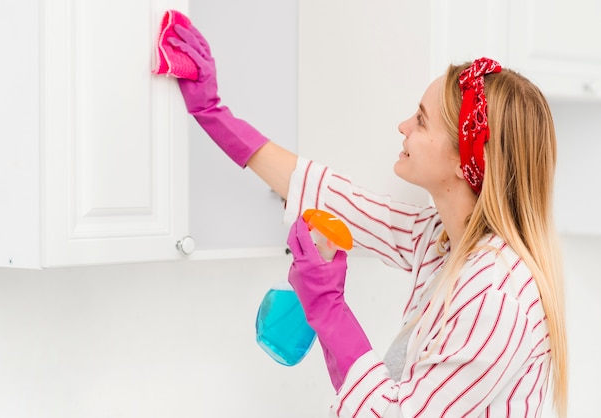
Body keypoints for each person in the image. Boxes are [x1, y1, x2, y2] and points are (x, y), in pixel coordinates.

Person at [159, 16, 568, 418]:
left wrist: (329, 307)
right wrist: (213, 112)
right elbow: (327, 192)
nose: (403, 126)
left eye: (421, 121)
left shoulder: (495, 298)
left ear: (465, 163)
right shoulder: (444, 240)